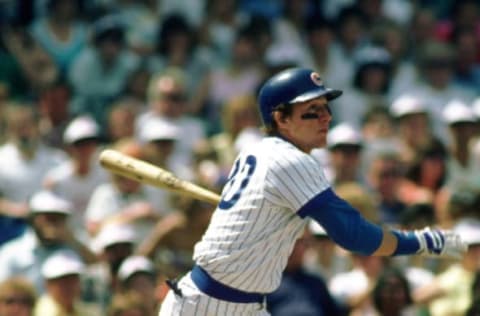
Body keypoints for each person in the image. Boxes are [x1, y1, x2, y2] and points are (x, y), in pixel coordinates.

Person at [158, 67, 467, 316]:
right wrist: (424, 241)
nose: (326, 118)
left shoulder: (262, 151)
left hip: (235, 303)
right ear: (281, 118)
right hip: (210, 306)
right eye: (312, 111)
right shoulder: (290, 160)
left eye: (325, 108)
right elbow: (354, 236)